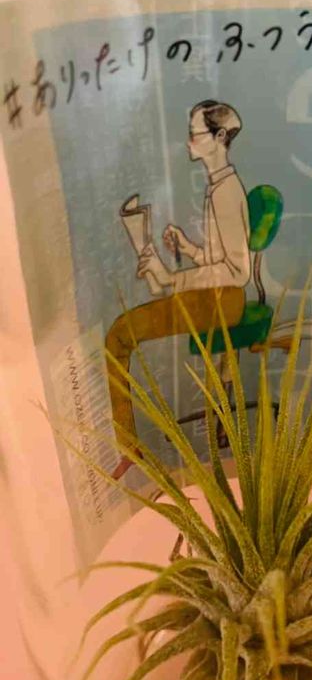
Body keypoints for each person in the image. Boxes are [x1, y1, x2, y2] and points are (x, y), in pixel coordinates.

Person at [106, 99, 251, 479]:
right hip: (217, 297)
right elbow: (220, 260)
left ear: (219, 137)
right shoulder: (219, 186)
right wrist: (188, 249)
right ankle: (154, 267)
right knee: (134, 314)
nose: (188, 141)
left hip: (222, 302)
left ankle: (128, 445)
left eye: (195, 133)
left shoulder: (226, 192)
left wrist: (175, 279)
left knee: (119, 335)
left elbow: (237, 272)